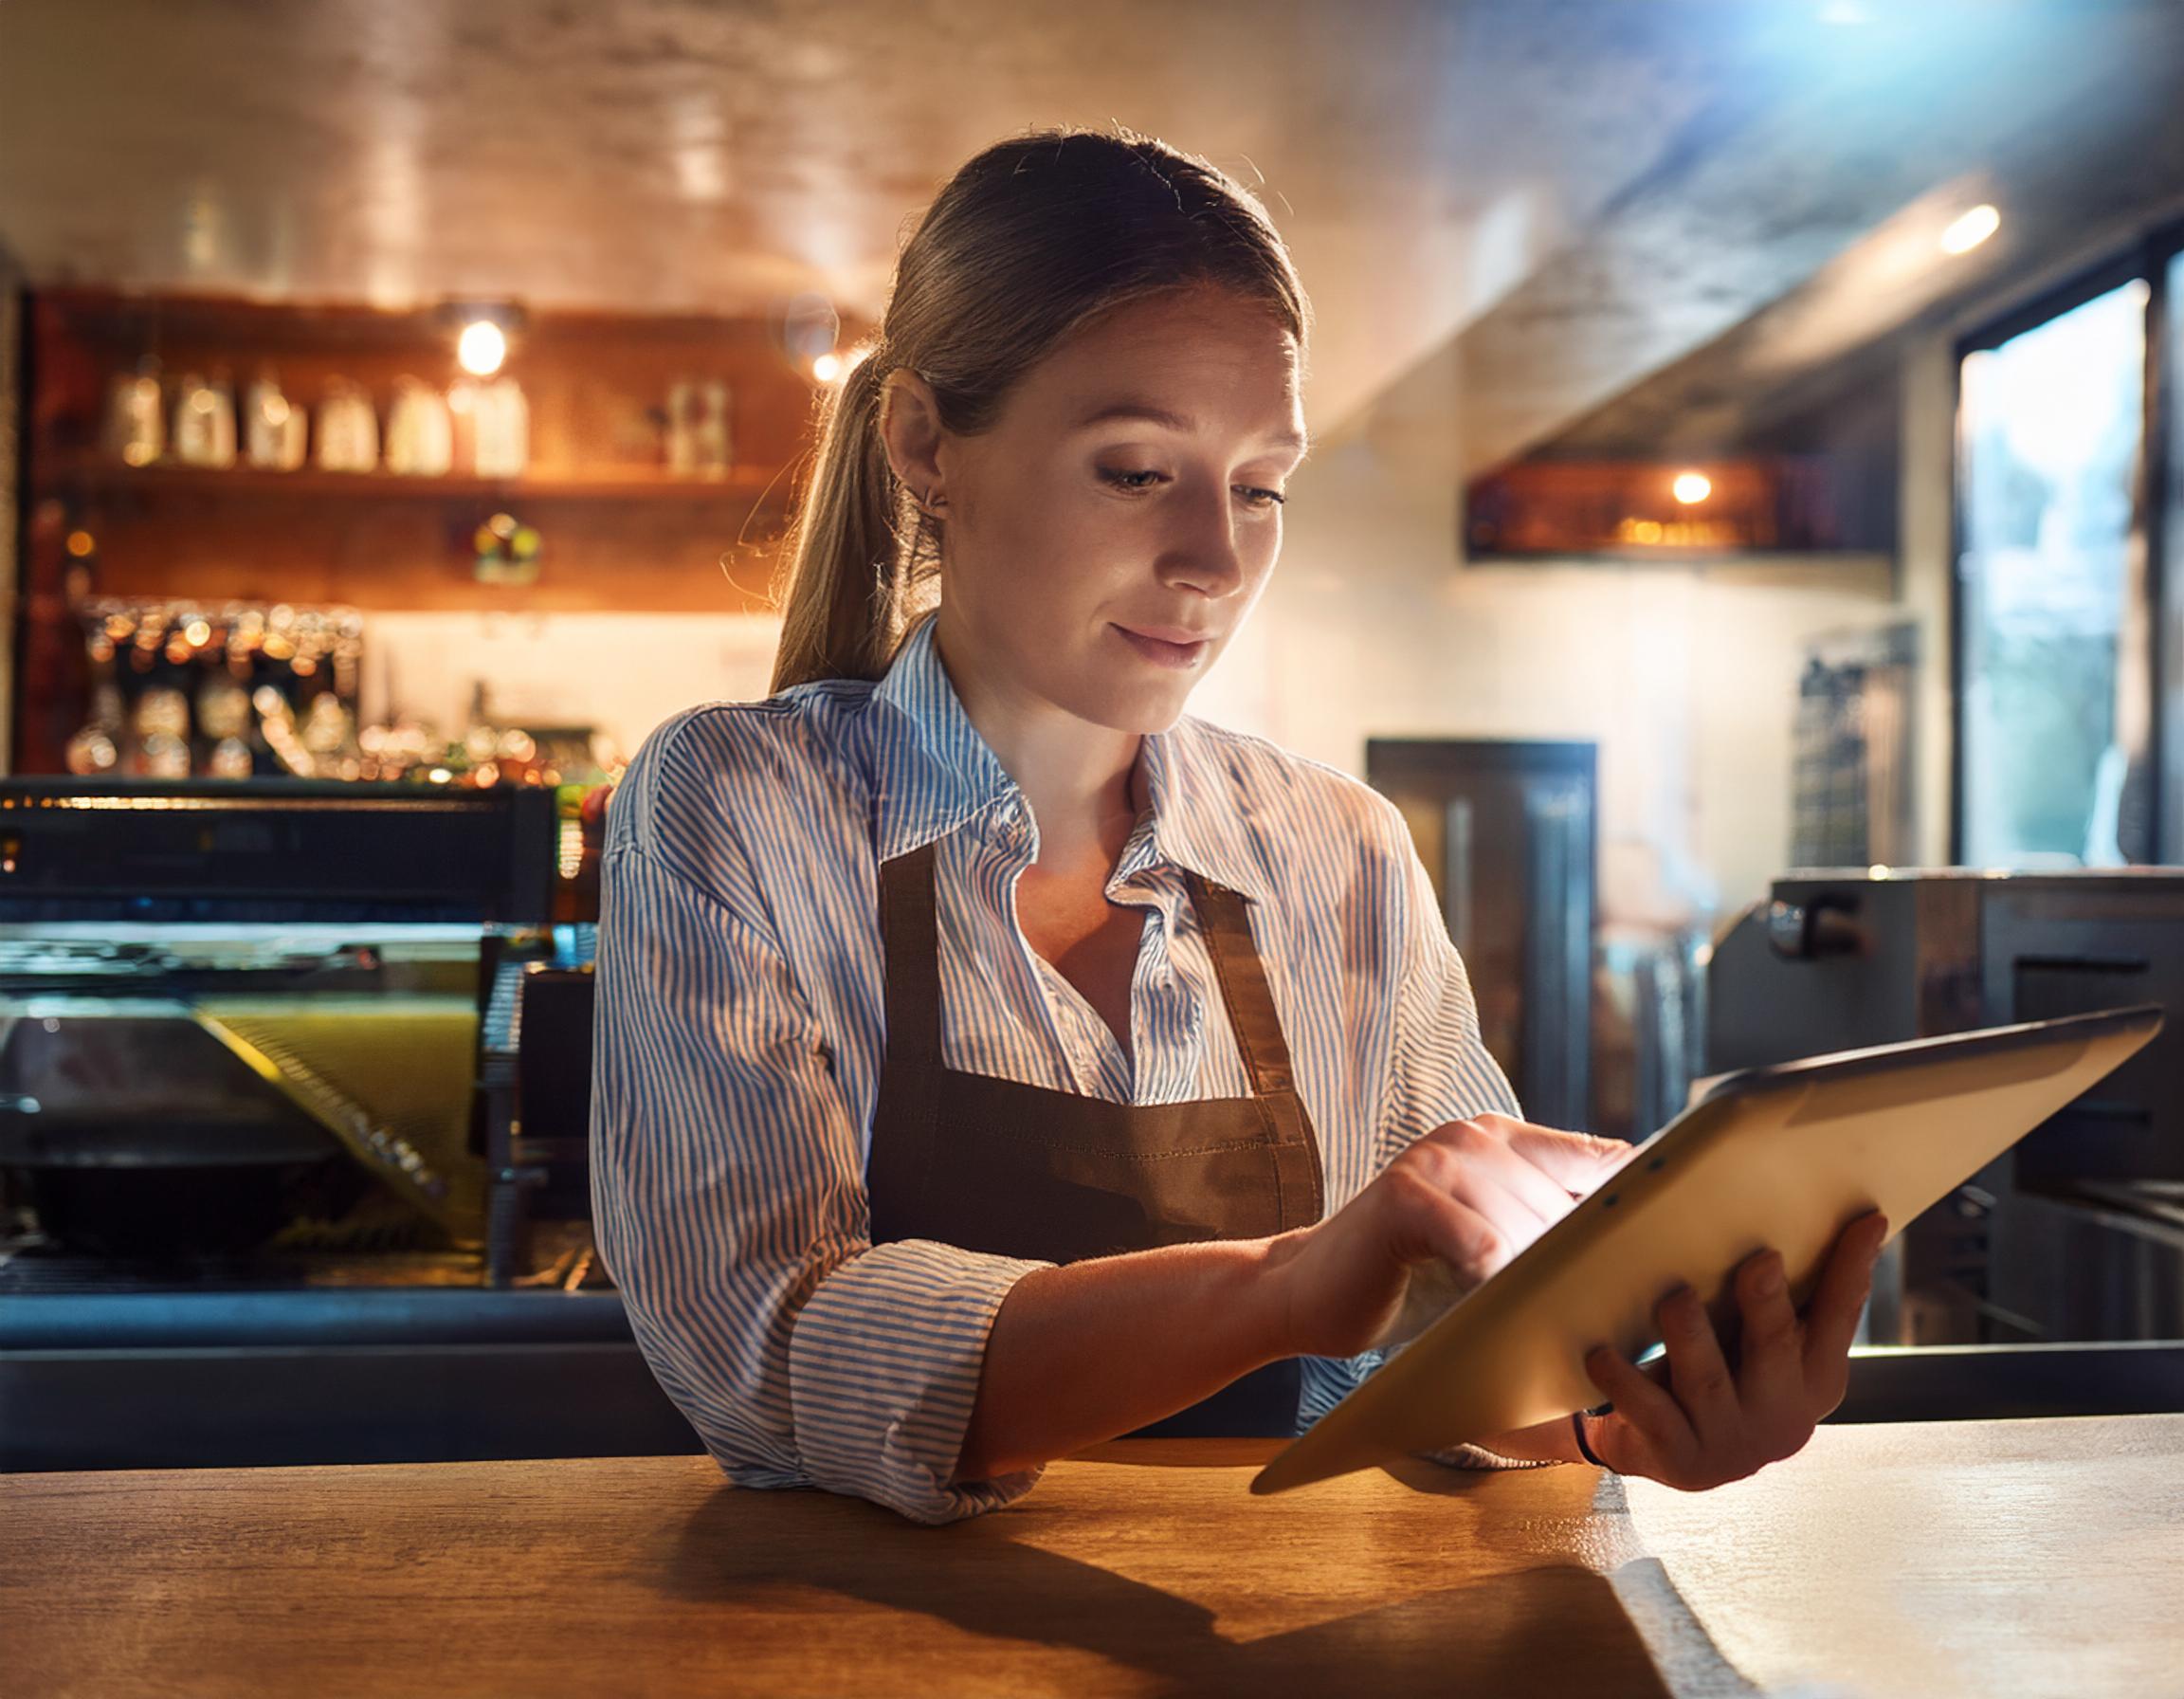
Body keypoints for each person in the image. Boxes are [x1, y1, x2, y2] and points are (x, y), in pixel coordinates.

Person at [589, 123, 1885, 1527]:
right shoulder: (733, 808)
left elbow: (1462, 1357)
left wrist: (1611, 1409)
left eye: (1260, 486)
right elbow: (765, 1348)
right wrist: (1285, 1289)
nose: (1216, 559)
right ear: (924, 444)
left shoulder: (1342, 852)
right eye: (1137, 470)